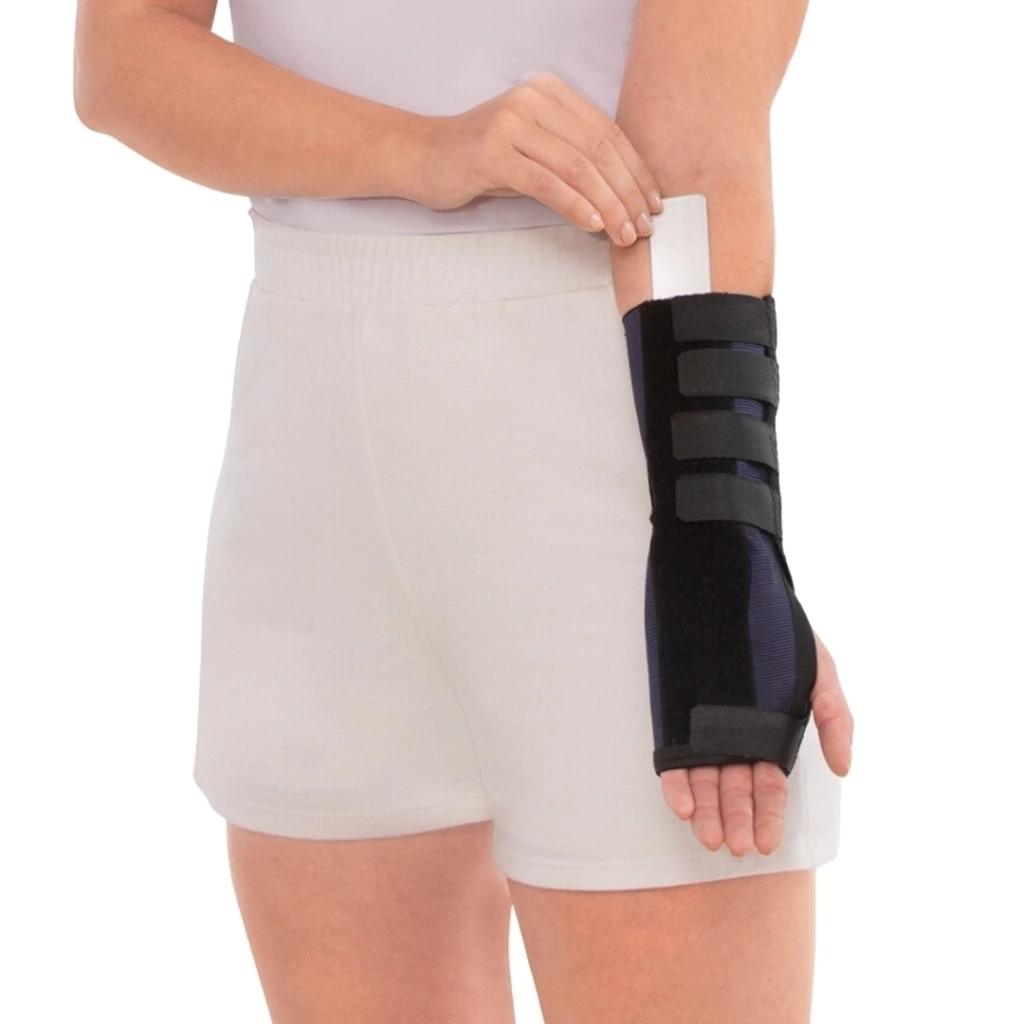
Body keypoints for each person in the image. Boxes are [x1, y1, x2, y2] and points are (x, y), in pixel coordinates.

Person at [73, 0, 854, 1020]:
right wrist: (424, 151)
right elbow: (120, 59)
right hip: (307, 456)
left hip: (600, 437)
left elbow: (697, 158)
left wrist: (719, 540)